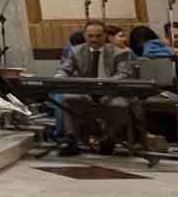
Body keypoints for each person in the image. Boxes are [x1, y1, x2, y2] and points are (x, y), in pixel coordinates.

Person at [53, 20, 134, 154]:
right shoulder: (76, 51)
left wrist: (104, 84)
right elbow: (64, 69)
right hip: (84, 93)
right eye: (90, 36)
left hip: (110, 93)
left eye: (98, 36)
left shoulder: (119, 52)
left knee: (120, 104)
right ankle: (71, 140)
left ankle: (109, 139)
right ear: (85, 36)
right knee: (68, 99)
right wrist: (60, 76)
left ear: (105, 36)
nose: (94, 39)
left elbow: (123, 74)